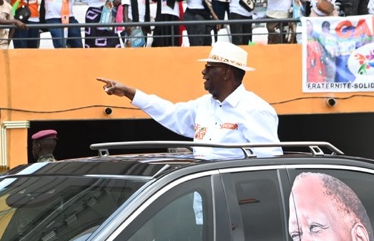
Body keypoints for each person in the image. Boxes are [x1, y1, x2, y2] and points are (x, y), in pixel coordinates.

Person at [98, 42, 282, 159]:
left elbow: (269, 164)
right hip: (204, 206)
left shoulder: (256, 109)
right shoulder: (202, 105)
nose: (203, 72)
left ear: (226, 73)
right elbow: (170, 112)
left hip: (238, 207)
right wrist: (131, 93)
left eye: (209, 67)